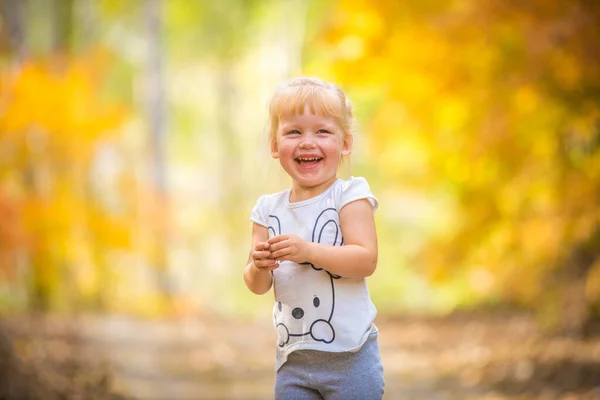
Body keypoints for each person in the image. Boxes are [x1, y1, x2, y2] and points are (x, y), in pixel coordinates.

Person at [243, 77, 384, 399]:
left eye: (322, 131)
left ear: (345, 143)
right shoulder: (267, 209)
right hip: (293, 359)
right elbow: (257, 285)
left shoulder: (349, 196)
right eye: (294, 131)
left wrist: (307, 251)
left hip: (351, 357)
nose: (308, 142)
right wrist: (258, 265)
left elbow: (366, 260)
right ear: (275, 146)